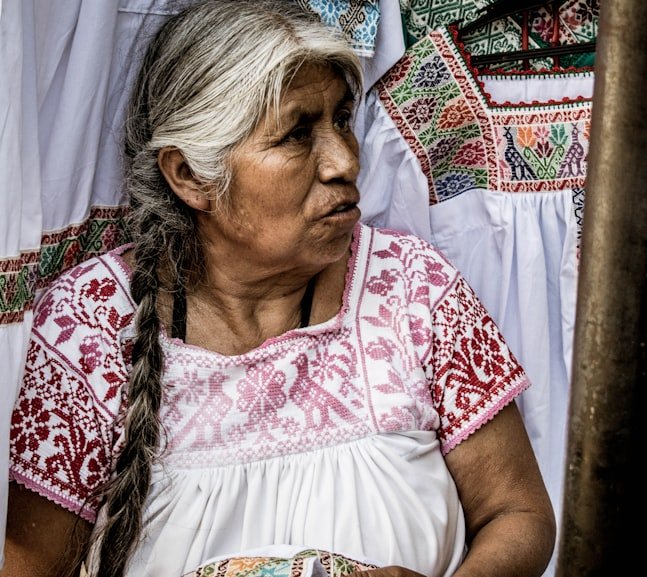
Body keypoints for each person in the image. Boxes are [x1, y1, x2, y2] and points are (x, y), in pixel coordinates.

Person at [1, 1, 556, 576]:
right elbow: (27, 564)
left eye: (342, 119)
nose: (344, 161)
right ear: (190, 176)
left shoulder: (411, 287)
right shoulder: (87, 327)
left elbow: (517, 513)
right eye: (297, 134)